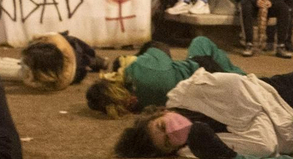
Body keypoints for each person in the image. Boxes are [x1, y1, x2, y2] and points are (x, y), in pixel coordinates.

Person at [112, 66, 293, 159]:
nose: (172, 131)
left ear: (160, 112)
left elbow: (241, 87)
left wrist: (254, 122)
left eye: (161, 127)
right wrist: (255, 117)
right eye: (168, 142)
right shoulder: (197, 148)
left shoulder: (192, 91)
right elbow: (264, 146)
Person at [84, 35, 244, 115]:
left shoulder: (136, 107)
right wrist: (139, 57)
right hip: (203, 73)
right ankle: (243, 79)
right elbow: (161, 48)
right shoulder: (140, 68)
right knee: (201, 42)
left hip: (195, 99)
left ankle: (241, 81)